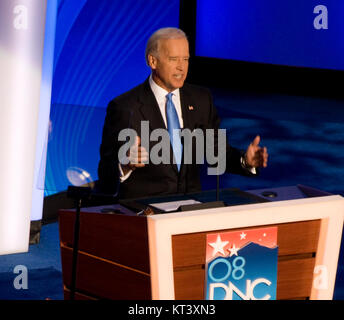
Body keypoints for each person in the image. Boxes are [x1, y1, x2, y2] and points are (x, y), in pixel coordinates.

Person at [97, 27, 268, 199]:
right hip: (144, 212)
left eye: (185, 59)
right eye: (173, 59)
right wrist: (125, 165)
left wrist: (245, 161)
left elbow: (215, 152)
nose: (181, 67)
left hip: (189, 211)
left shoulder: (201, 99)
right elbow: (105, 174)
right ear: (152, 61)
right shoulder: (125, 107)